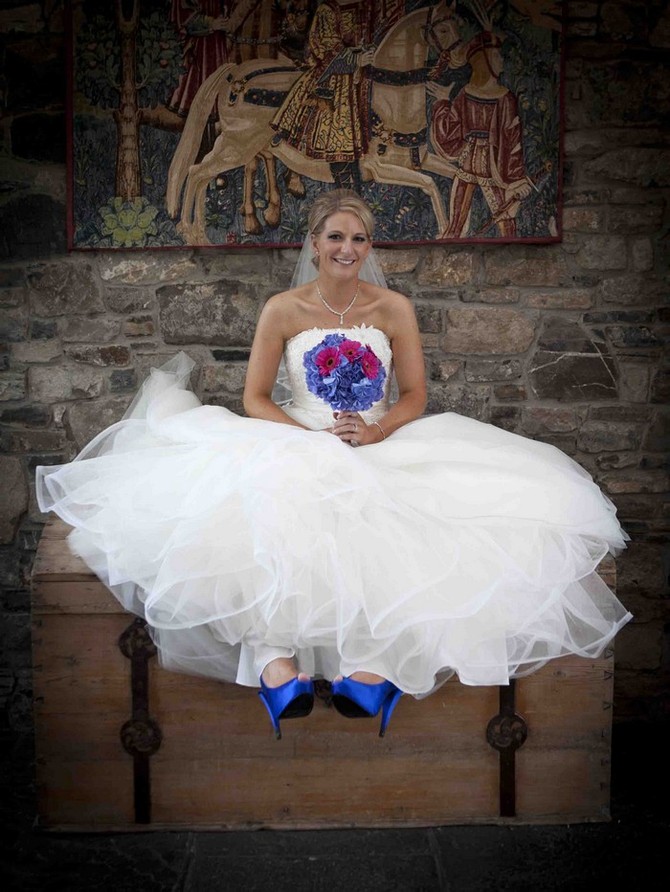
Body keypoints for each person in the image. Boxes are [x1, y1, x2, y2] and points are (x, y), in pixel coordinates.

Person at [36, 189, 631, 741]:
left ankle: (371, 666)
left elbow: (415, 396)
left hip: (376, 439)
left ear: (370, 248)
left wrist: (373, 432)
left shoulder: (393, 308)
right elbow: (255, 398)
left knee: (393, 525)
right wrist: (306, 437)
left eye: (359, 240)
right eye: (336, 238)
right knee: (270, 517)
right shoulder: (283, 308)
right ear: (315, 243)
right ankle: (275, 662)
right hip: (295, 436)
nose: (348, 250)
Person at [428, 31, 532, 238]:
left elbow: (512, 141)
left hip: (495, 168)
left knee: (505, 221)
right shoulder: (466, 93)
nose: (501, 61)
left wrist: (518, 180)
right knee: (455, 224)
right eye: (496, 56)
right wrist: (442, 102)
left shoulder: (505, 98)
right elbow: (450, 128)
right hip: (467, 163)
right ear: (484, 61)